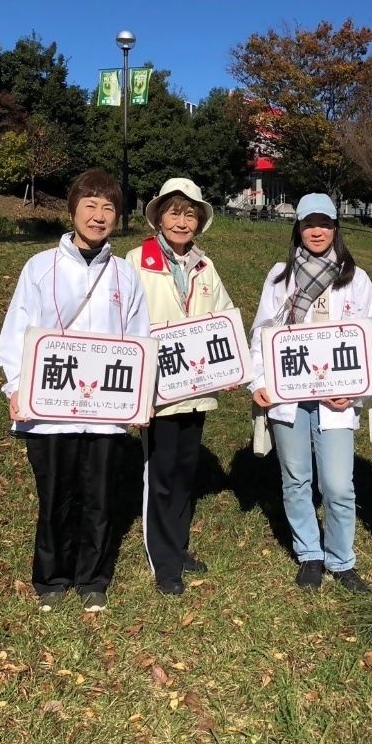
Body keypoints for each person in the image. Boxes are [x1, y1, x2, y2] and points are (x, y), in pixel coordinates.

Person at [0, 168, 150, 614]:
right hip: (49, 408)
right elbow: (17, 331)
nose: (99, 216)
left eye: (108, 208)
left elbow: (138, 338)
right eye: (90, 205)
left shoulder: (124, 275)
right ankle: (51, 576)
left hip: (104, 410)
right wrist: (16, 385)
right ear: (72, 210)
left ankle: (92, 578)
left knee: (99, 497)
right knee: (55, 495)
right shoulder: (40, 267)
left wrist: (139, 399)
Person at [250, 193, 372, 593]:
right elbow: (261, 334)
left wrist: (354, 393)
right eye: (309, 224)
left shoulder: (355, 279)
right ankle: (310, 554)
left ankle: (342, 559)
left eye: (324, 223)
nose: (316, 231)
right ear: (298, 229)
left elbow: (367, 343)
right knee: (296, 478)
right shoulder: (279, 276)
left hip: (336, 399)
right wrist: (260, 383)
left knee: (339, 484)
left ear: (335, 228)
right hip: (289, 395)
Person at [126, 178, 233, 596]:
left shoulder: (206, 266)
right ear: (159, 217)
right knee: (162, 474)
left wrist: (233, 365)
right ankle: (164, 562)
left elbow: (222, 315)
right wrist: (135, 392)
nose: (182, 221)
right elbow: (127, 326)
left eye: (190, 214)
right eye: (175, 212)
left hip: (198, 389)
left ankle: (179, 544)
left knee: (186, 473)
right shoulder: (137, 260)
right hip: (158, 392)